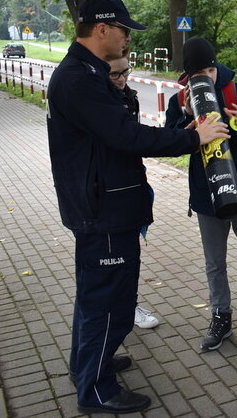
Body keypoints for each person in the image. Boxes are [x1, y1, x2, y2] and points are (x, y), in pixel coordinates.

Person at [47, 0, 228, 415]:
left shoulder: (86, 73)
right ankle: (96, 389)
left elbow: (117, 132)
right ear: (102, 29)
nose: (128, 39)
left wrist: (183, 131)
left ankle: (86, 365)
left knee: (94, 297)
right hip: (104, 210)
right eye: (124, 30)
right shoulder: (79, 80)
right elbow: (126, 136)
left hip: (103, 204)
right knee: (110, 303)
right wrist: (193, 138)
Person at [164, 36, 237, 350]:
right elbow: (168, 142)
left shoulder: (236, 92)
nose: (207, 76)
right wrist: (187, 119)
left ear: (216, 66)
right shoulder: (178, 101)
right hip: (207, 197)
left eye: (210, 70)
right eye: (199, 73)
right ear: (188, 75)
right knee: (215, 262)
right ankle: (221, 316)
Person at [107, 55, 161, 330]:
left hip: (132, 185)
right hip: (106, 195)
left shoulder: (130, 98)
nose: (121, 80)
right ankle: (114, 311)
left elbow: (137, 139)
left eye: (125, 72)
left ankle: (129, 306)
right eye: (114, 75)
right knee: (110, 262)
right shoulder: (98, 102)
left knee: (131, 254)